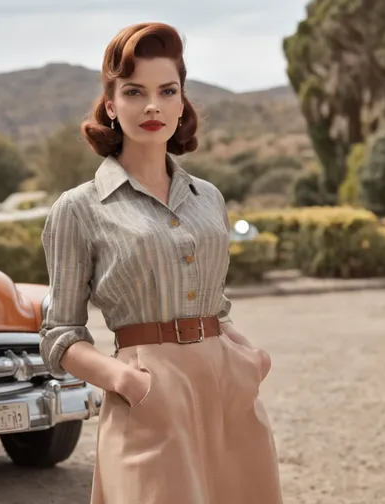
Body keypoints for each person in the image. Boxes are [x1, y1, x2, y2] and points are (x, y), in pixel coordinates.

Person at [39, 22, 284, 504]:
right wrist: (126, 381)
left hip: (229, 386)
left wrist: (250, 360)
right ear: (111, 105)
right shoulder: (80, 208)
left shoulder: (208, 198)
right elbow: (60, 335)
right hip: (149, 393)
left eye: (166, 91)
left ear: (180, 101)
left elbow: (219, 302)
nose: (152, 105)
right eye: (134, 91)